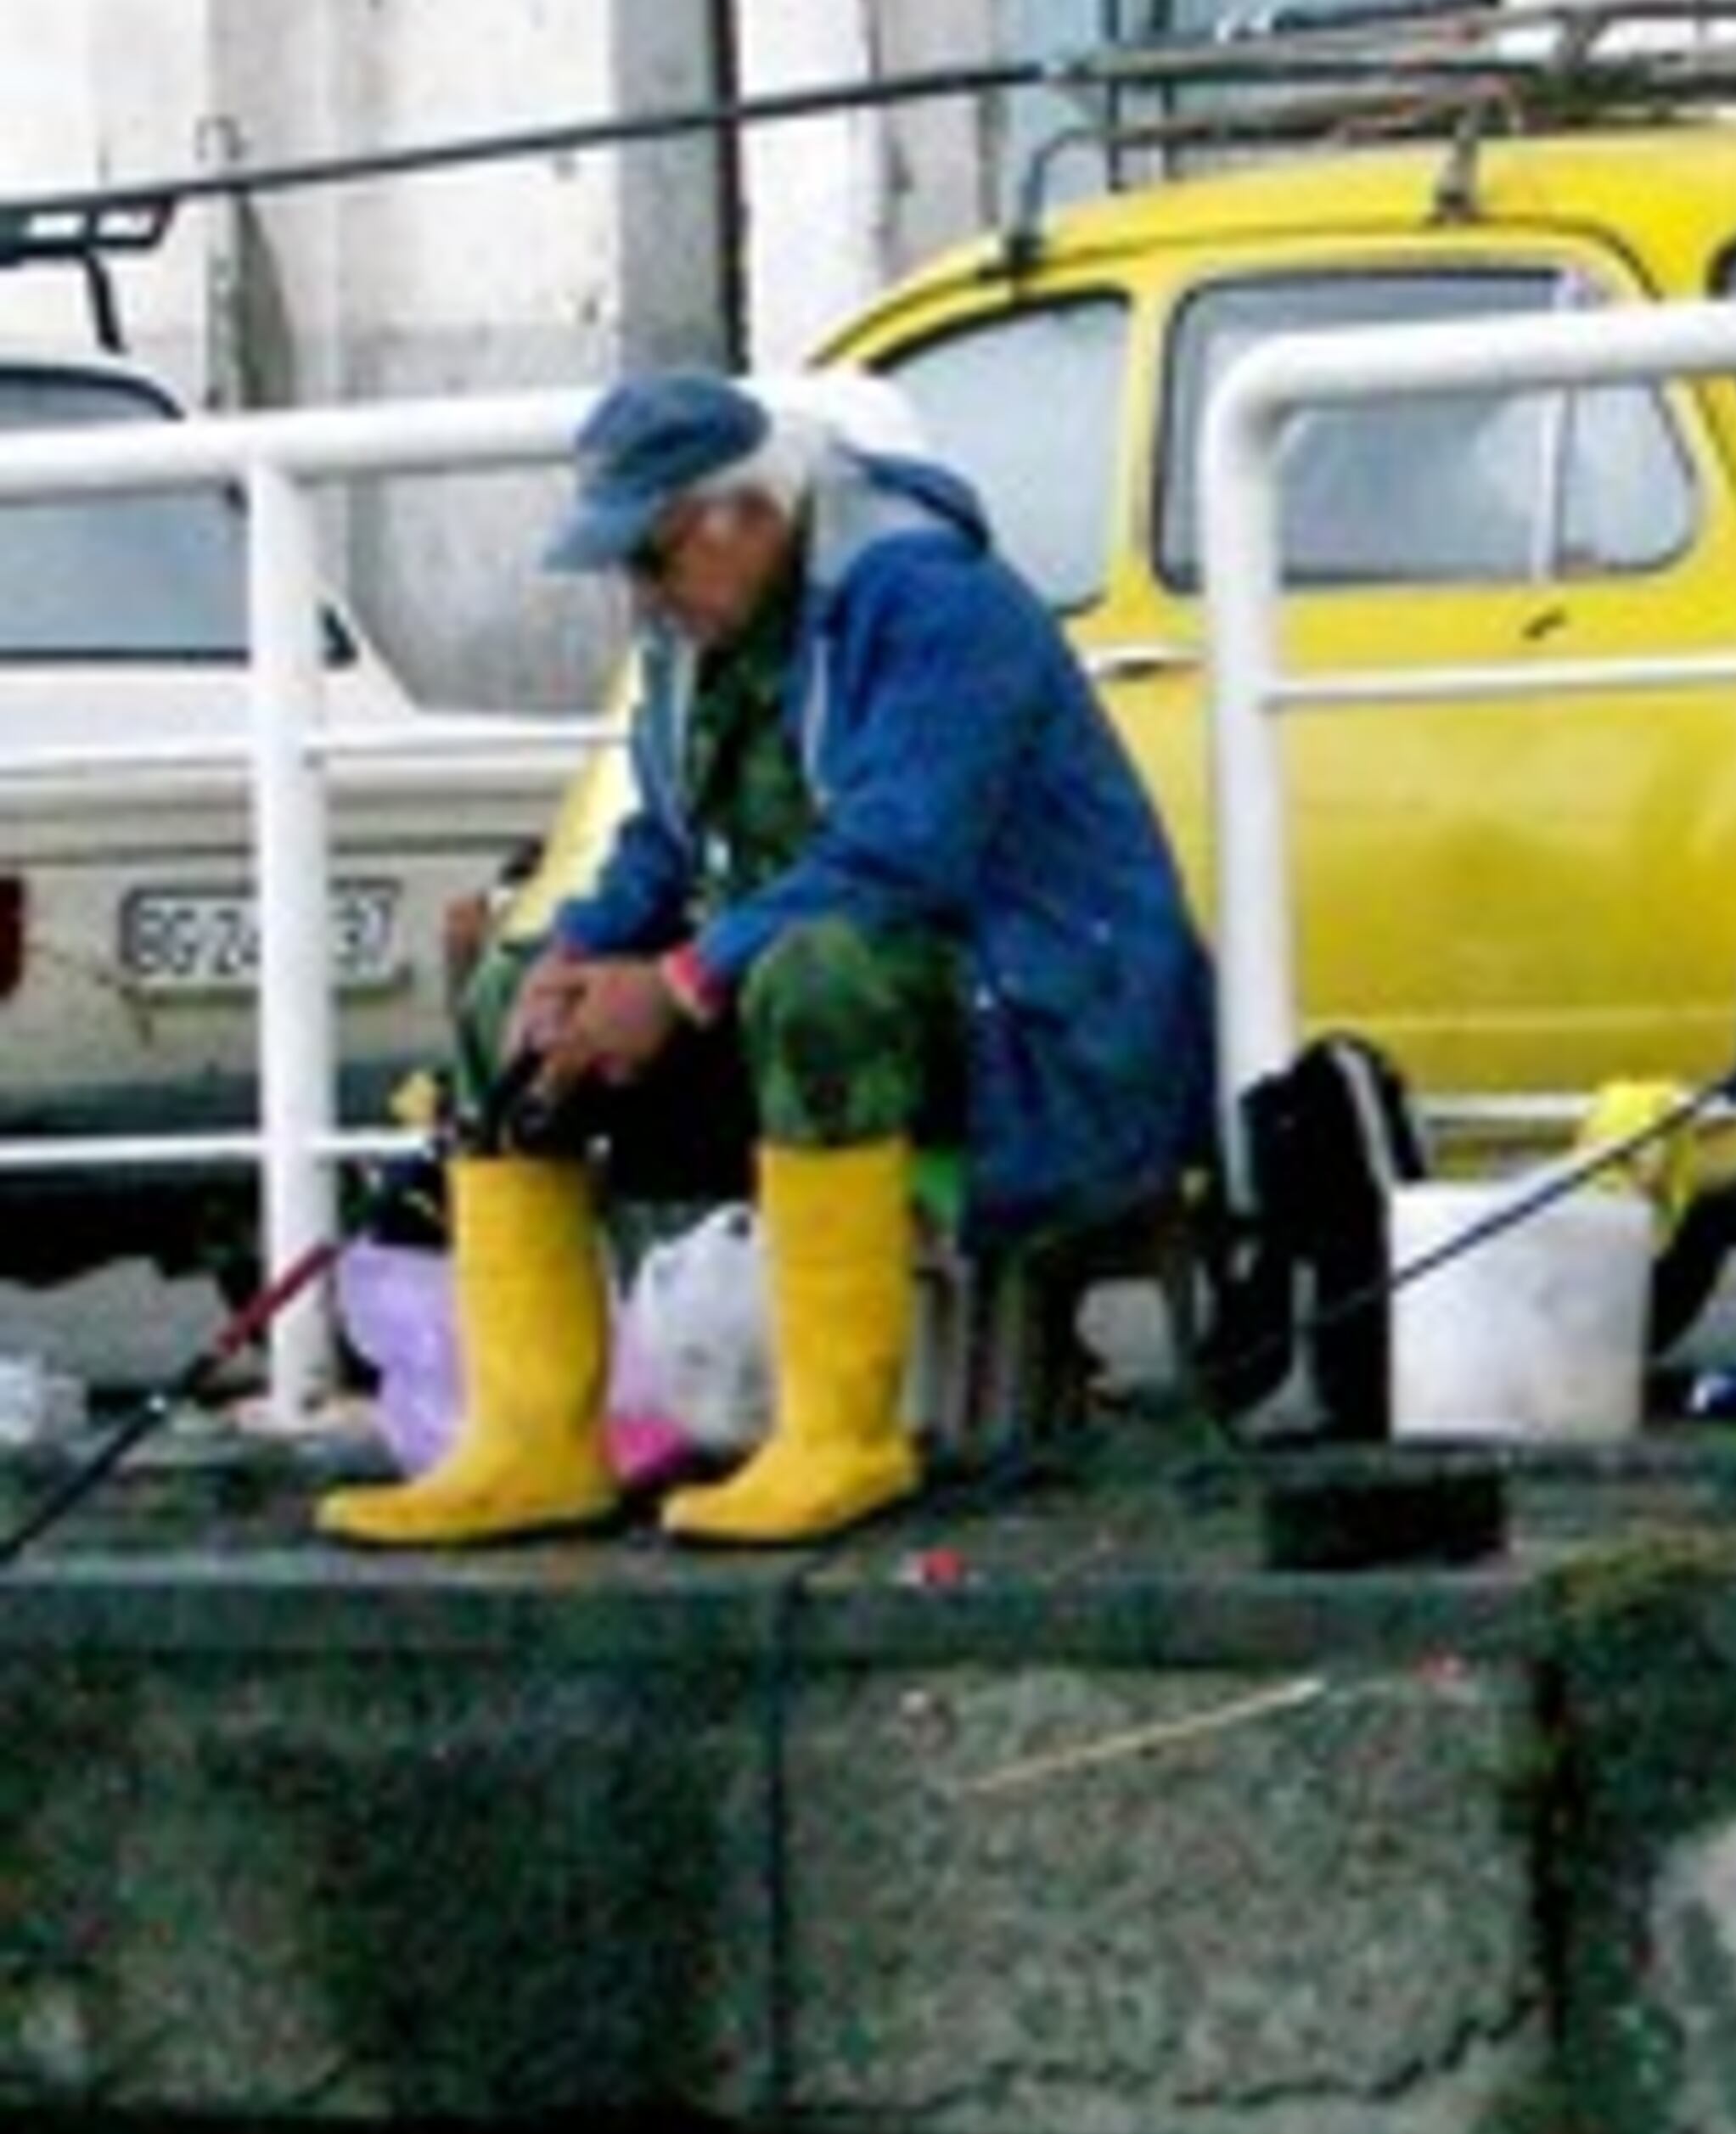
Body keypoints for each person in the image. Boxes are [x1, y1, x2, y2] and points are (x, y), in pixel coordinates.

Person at [320, 367, 1214, 1551]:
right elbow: (663, 842)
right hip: (848, 1012)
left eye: (651, 557)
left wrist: (680, 984)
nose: (641, 597)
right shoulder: (704, 638)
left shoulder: (936, 604)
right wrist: (574, 960)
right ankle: (535, 1442)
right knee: (505, 999)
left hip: (1042, 1024)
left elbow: (905, 856)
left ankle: (841, 1436)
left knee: (819, 978)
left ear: (748, 513)